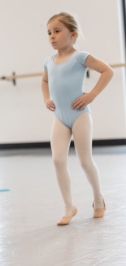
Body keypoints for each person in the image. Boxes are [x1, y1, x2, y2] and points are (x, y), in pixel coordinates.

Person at [41, 12, 113, 225]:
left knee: (84, 161)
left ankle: (98, 199)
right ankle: (68, 206)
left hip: (80, 115)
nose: (52, 36)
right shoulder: (48, 61)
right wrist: (46, 99)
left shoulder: (80, 57)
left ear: (73, 34)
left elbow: (107, 71)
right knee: (57, 160)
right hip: (60, 117)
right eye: (49, 33)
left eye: (57, 31)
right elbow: (44, 82)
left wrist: (91, 95)